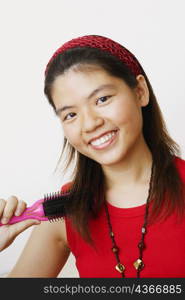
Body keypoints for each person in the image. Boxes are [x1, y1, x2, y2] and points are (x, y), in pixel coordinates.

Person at [0, 35, 184, 278]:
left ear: (140, 91)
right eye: (70, 115)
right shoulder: (64, 210)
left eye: (102, 99)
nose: (89, 124)